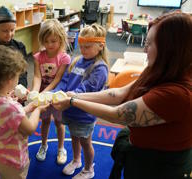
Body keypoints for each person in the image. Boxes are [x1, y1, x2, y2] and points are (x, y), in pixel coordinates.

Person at [52, 12, 192, 179]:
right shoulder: (157, 69)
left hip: (159, 166)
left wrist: (73, 101)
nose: (144, 49)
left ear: (170, 49)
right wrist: (75, 96)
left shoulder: (177, 94)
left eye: (149, 44)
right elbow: (118, 93)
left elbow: (118, 114)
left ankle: (88, 168)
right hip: (141, 154)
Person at [0, 44, 49, 179]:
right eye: (17, 76)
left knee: (4, 174)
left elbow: (8, 118)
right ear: (9, 79)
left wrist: (29, 107)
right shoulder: (11, 107)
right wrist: (38, 109)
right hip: (13, 159)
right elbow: (29, 129)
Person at [52, 23, 109, 178]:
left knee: (85, 142)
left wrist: (69, 96)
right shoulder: (77, 60)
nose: (83, 50)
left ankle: (89, 169)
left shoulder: (100, 68)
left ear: (100, 46)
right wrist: (55, 93)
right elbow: (65, 81)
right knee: (74, 137)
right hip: (69, 110)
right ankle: (76, 160)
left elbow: (87, 88)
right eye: (81, 46)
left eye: (88, 47)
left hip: (85, 114)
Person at [32, 19, 71, 164]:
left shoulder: (64, 58)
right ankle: (43, 145)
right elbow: (37, 76)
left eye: (53, 41)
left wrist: (44, 93)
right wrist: (35, 92)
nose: (49, 45)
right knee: (45, 121)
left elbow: (57, 80)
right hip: (43, 96)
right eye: (46, 41)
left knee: (59, 123)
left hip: (57, 96)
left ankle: (61, 148)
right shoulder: (38, 57)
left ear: (61, 39)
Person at [0, 6, 28, 88]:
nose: (9, 34)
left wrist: (21, 87)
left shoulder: (20, 47)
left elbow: (23, 72)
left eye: (12, 30)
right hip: (0, 91)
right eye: (5, 31)